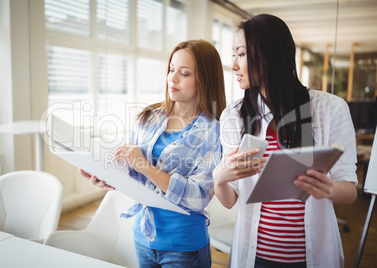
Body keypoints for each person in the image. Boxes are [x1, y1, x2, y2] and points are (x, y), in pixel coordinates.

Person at [212, 14, 357, 268]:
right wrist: (219, 177)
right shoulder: (234, 116)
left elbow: (350, 191)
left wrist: (329, 189)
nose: (233, 65)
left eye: (241, 54)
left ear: (270, 55)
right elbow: (229, 199)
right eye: (233, 54)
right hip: (254, 256)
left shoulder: (329, 108)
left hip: (311, 257)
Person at [82, 39, 226, 267]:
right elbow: (135, 174)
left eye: (185, 73)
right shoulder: (149, 118)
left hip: (183, 245)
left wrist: (144, 167)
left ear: (205, 80)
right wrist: (108, 176)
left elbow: (197, 197)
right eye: (171, 70)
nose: (173, 78)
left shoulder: (213, 131)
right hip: (143, 237)